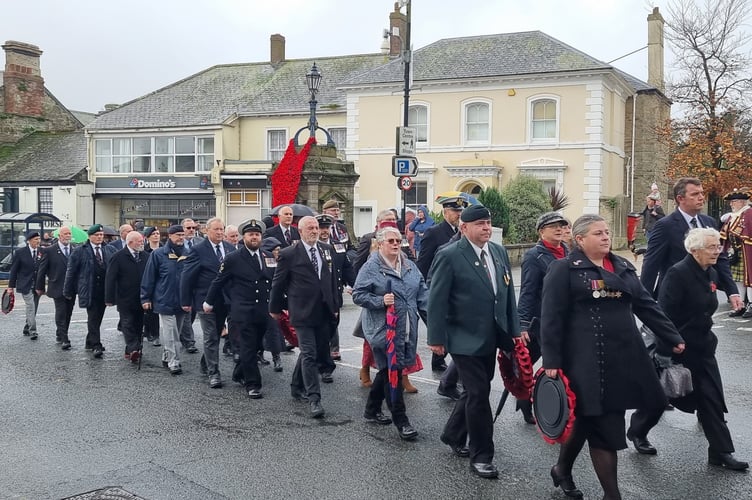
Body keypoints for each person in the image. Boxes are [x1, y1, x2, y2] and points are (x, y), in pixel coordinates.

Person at [540, 214, 685, 500]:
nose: (606, 237)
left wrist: (673, 337)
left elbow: (646, 305)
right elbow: (551, 318)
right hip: (586, 361)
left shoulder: (622, 266)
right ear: (580, 240)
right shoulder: (564, 269)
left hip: (625, 357)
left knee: (589, 419)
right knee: (602, 423)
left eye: (607, 232)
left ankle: (562, 468)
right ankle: (612, 494)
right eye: (598, 233)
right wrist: (551, 360)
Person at [427, 203, 521, 480]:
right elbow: (437, 299)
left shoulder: (498, 251)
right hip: (462, 336)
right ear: (464, 227)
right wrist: (436, 338)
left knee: (473, 391)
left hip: (491, 335)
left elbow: (507, 294)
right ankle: (482, 455)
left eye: (488, 224)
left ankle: (452, 434)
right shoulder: (450, 255)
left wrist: (513, 330)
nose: (486, 229)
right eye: (480, 224)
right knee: (479, 394)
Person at [652, 228, 748, 471]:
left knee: (712, 399)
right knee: (661, 398)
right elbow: (663, 315)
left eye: (718, 246)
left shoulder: (710, 271)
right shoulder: (677, 274)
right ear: (694, 250)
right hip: (680, 348)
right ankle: (638, 431)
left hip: (704, 347)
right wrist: (666, 349)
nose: (718, 251)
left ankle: (720, 452)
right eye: (712, 247)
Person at [353, 225, 427, 441]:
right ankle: (401, 420)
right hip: (382, 330)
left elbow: (423, 297)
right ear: (380, 244)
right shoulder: (371, 267)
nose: (396, 244)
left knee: (387, 371)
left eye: (398, 241)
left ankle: (372, 409)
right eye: (391, 241)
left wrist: (436, 327)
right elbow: (358, 294)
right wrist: (379, 301)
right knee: (393, 372)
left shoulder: (410, 266)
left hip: (406, 329)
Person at [269, 216, 339, 418]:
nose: (315, 231)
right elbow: (278, 284)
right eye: (310, 228)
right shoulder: (289, 254)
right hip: (301, 312)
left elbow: (332, 280)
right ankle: (314, 398)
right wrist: (275, 308)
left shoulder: (327, 250)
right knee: (309, 353)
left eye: (316, 227)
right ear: (300, 231)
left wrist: (334, 305)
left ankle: (296, 384)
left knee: (314, 351)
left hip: (323, 311)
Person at [640, 177, 742, 311]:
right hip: (675, 297)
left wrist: (732, 291)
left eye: (702, 193)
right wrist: (644, 301)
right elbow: (651, 264)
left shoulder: (709, 222)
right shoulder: (665, 226)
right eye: (695, 194)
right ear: (680, 198)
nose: (701, 197)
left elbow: (720, 259)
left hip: (705, 296)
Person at [206, 220, 274, 398]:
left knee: (257, 346)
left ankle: (238, 373)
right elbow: (218, 281)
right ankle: (253, 384)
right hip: (242, 311)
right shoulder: (233, 258)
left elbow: (275, 282)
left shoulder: (268, 256)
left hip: (263, 310)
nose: (254, 237)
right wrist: (209, 302)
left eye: (257, 234)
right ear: (244, 237)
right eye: (251, 234)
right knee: (248, 347)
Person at [515, 211, 569, 424]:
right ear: (541, 231)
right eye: (553, 226)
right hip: (541, 320)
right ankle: (525, 401)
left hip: (564, 320)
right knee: (531, 365)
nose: (559, 229)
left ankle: (560, 407)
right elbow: (528, 291)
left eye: (561, 225)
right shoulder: (534, 256)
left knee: (562, 364)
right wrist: (523, 324)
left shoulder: (566, 251)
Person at [181, 217, 236, 389]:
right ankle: (214, 372)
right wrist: (185, 300)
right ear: (207, 231)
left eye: (222, 229)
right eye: (216, 230)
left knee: (217, 333)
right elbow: (187, 276)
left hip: (226, 300)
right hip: (205, 300)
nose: (220, 233)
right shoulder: (198, 250)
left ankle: (206, 363)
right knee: (211, 335)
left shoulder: (229, 248)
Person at [418, 198, 465, 371]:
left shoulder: (462, 231)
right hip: (436, 283)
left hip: (455, 285)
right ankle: (439, 361)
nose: (458, 214)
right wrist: (424, 288)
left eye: (460, 211)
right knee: (441, 323)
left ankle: (444, 362)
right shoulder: (434, 233)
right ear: (445, 212)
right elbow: (423, 262)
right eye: (455, 211)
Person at [141, 225, 189, 375]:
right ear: (170, 236)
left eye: (183, 235)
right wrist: (145, 297)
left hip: (183, 300)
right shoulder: (158, 254)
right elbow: (149, 277)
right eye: (177, 235)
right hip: (164, 298)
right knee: (170, 331)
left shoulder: (189, 254)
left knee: (177, 331)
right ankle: (174, 361)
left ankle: (167, 355)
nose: (181, 237)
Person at [63, 224, 115, 358]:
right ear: (90, 236)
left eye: (101, 235)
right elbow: (71, 271)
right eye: (96, 235)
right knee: (92, 316)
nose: (99, 237)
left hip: (104, 290)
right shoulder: (80, 251)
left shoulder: (109, 249)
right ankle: (96, 345)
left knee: (98, 316)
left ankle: (89, 340)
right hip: (89, 289)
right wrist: (68, 290)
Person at [316, 213, 355, 365]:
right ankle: (325, 355)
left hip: (334, 292)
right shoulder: (311, 246)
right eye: (321, 228)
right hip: (317, 293)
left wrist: (355, 285)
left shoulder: (337, 245)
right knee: (321, 324)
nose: (324, 231)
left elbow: (347, 268)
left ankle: (330, 349)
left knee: (333, 322)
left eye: (326, 228)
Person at [105, 231, 147, 363]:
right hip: (124, 297)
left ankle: (131, 350)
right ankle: (134, 348)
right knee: (127, 324)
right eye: (139, 241)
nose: (142, 243)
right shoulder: (118, 256)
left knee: (138, 325)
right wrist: (109, 298)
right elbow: (110, 278)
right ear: (130, 243)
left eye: (142, 240)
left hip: (141, 297)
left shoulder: (146, 256)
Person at [35, 226, 76, 349]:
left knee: (68, 312)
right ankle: (64, 338)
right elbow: (42, 270)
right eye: (65, 234)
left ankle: (61, 332)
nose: (68, 236)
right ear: (59, 236)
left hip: (72, 288)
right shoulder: (50, 250)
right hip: (57, 285)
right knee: (61, 311)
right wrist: (40, 287)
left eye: (69, 233)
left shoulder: (75, 250)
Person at [719, 189, 752, 317]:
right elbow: (724, 233)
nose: (731, 204)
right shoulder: (733, 216)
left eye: (734, 202)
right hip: (736, 252)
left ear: (742, 202)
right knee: (738, 279)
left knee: (749, 279)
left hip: (748, 252)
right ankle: (741, 304)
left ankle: (751, 305)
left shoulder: (749, 213)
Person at [7, 230, 42, 339]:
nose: (38, 241)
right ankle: (33, 331)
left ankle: (27, 326)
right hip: (25, 284)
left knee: (34, 307)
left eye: (39, 239)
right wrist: (10, 287)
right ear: (29, 241)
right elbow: (14, 270)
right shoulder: (20, 253)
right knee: (30, 306)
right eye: (36, 239)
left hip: (38, 285)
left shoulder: (42, 252)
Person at [142, 226, 162, 346]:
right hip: (149, 282)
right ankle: (150, 333)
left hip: (162, 282)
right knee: (150, 310)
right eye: (153, 233)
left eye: (157, 233)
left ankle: (155, 334)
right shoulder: (144, 250)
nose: (156, 235)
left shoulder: (165, 248)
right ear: (148, 237)